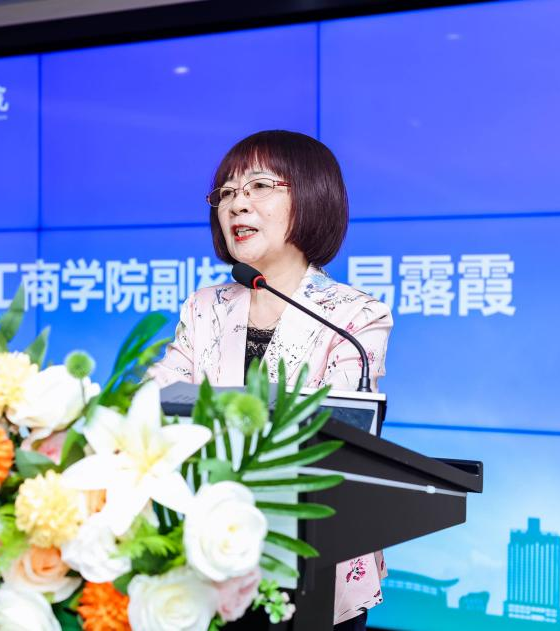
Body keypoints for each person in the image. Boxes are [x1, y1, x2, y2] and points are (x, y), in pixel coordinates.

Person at [149, 130, 393, 629]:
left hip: (312, 560)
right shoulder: (204, 307)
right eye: (226, 193)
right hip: (205, 554)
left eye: (259, 186)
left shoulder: (354, 316)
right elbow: (159, 403)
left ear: (312, 196)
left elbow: (334, 438)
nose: (237, 204)